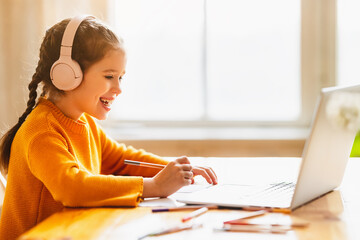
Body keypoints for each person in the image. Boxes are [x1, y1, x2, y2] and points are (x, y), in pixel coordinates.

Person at [0, 15, 218, 240]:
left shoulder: (85, 123)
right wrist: (153, 186)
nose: (118, 88)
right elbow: (72, 187)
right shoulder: (41, 130)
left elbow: (122, 160)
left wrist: (176, 171)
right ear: (67, 74)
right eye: (109, 76)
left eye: (121, 77)